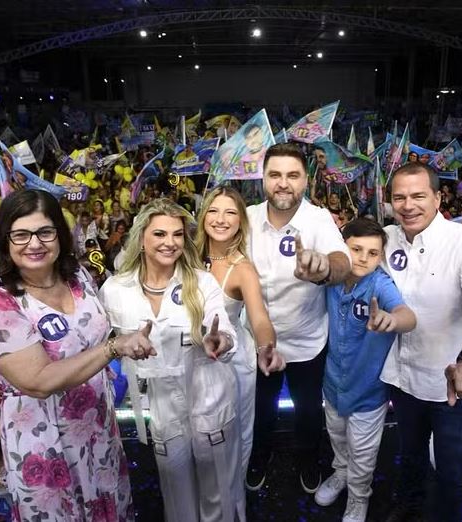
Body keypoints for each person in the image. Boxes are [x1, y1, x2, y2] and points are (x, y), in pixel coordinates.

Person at [0, 189, 148, 521]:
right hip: (43, 443)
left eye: (44, 232)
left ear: (59, 235)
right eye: (20, 234)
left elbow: (93, 337)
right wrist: (112, 348)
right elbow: (38, 381)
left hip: (97, 429)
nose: (34, 244)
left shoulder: (78, 278)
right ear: (5, 239)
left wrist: (125, 343)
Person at [100, 197, 242, 522]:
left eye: (177, 234)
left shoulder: (202, 282)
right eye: (160, 234)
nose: (170, 242)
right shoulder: (115, 289)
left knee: (218, 487)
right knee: (176, 492)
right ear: (142, 238)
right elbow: (101, 342)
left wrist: (220, 340)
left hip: (209, 394)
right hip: (162, 404)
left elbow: (225, 328)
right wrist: (119, 348)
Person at [380, 162, 462, 522]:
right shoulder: (386, 238)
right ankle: (409, 506)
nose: (408, 205)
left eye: (418, 196)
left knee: (451, 468)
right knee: (410, 453)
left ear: (438, 198)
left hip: (453, 386)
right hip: (403, 380)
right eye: (399, 197)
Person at [245, 143, 351, 494]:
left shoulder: (318, 219)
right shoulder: (245, 219)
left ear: (306, 180)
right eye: (275, 175)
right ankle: (260, 454)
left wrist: (323, 269)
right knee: (261, 410)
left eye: (292, 175)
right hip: (258, 343)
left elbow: (342, 263)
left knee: (308, 412)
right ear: (263, 179)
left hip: (307, 342)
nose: (283, 183)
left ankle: (308, 458)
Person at [315, 218, 416, 521]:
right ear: (341, 248)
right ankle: (339, 472)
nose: (363, 258)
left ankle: (359, 497)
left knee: (363, 453)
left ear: (382, 257)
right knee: (337, 438)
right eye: (356, 249)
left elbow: (406, 315)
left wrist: (393, 320)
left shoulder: (380, 284)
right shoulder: (331, 279)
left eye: (373, 253)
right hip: (332, 385)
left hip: (368, 392)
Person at [195, 186, 285, 483]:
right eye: (214, 210)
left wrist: (266, 347)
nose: (221, 219)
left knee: (234, 435)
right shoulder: (184, 256)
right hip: (191, 360)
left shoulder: (243, 269)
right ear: (204, 214)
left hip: (233, 365)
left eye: (231, 212)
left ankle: (232, 498)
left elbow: (259, 318)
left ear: (240, 222)